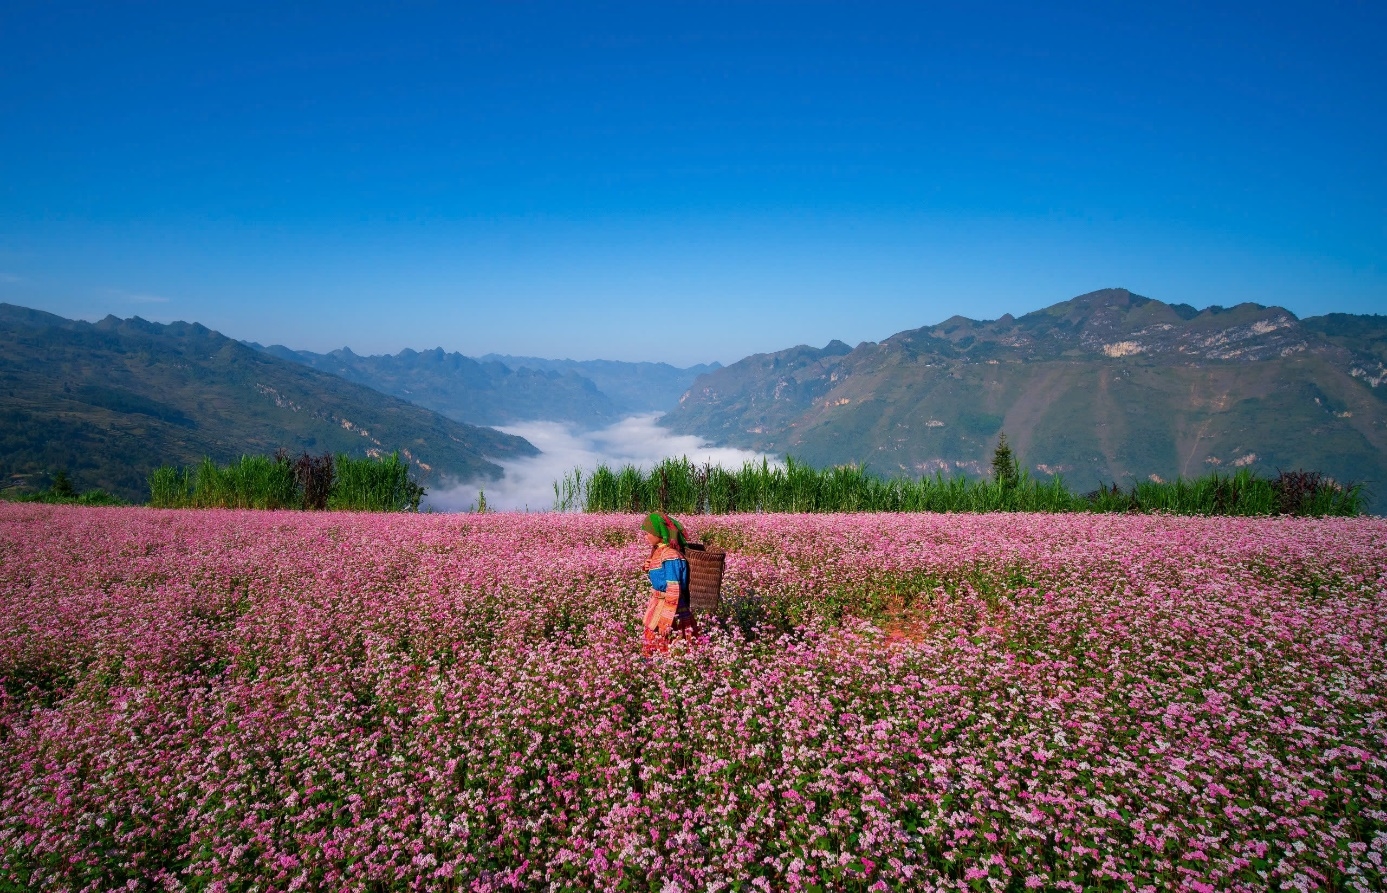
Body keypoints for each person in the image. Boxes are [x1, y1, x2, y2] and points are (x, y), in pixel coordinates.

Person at [640, 511, 698, 654]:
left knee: (671, 645)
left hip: (671, 609)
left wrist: (666, 620)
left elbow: (673, 587)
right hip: (658, 604)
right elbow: (659, 574)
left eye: (648, 533)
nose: (646, 536)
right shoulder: (660, 552)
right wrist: (648, 566)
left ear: (659, 532)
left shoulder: (671, 555)